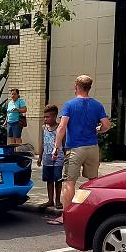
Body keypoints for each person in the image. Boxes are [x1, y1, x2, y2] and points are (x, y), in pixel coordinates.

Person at [48, 75, 111, 225]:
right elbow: (107, 125)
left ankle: (66, 217)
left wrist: (56, 147)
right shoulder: (97, 105)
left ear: (76, 86)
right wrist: (99, 130)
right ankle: (95, 215)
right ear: (89, 87)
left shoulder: (70, 105)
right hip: (92, 148)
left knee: (69, 182)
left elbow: (62, 127)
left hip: (75, 149)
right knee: (94, 181)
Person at [37, 105, 64, 209]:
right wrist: (40, 157)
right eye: (44, 117)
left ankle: (58, 200)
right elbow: (42, 142)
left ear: (54, 116)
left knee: (58, 178)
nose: (45, 119)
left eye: (47, 117)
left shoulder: (59, 128)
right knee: (49, 179)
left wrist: (66, 155)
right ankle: (50, 200)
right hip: (46, 157)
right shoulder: (44, 128)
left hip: (58, 157)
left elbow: (64, 142)